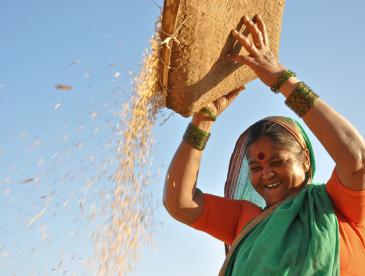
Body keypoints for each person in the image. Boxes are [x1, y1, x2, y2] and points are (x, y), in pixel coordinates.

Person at [163, 14, 365, 275]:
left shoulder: (339, 206)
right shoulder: (248, 220)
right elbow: (179, 203)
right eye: (255, 167)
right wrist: (202, 123)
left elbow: (357, 160)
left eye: (277, 161)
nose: (266, 174)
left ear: (305, 158)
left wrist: (280, 78)